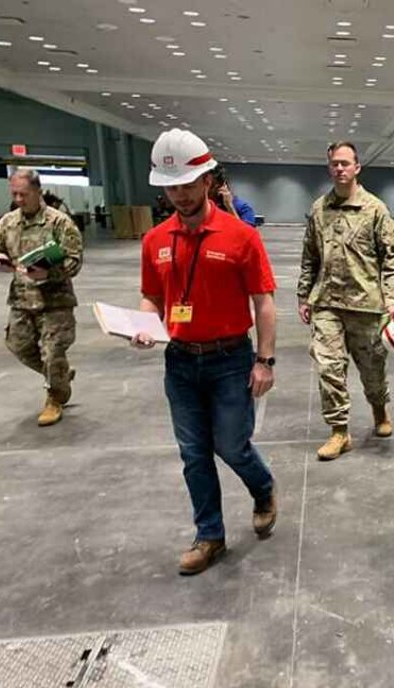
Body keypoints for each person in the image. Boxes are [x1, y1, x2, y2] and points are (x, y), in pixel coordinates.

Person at [132, 129, 278, 576]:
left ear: (209, 181)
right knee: (194, 451)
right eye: (170, 187)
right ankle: (209, 534)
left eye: (188, 185)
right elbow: (152, 298)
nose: (179, 195)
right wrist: (142, 327)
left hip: (230, 357)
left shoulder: (241, 236)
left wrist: (264, 360)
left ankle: (263, 486)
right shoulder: (154, 240)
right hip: (179, 360)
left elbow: (264, 301)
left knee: (232, 445)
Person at [297, 142, 394, 461]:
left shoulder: (375, 209)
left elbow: (393, 257)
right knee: (329, 368)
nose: (339, 168)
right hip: (327, 303)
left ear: (357, 167)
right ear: (329, 167)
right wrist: (305, 295)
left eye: (345, 163)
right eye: (334, 163)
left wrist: (392, 298)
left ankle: (379, 410)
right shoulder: (319, 208)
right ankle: (339, 431)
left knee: (372, 370)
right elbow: (310, 256)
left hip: (366, 305)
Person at [0, 169, 83, 426]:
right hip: (21, 299)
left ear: (38, 192)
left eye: (24, 194)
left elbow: (74, 261)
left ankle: (55, 397)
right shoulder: (7, 223)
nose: (19, 199)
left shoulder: (59, 223)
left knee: (52, 353)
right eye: (15, 194)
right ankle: (60, 375)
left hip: (55, 301)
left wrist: (50, 272)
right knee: (18, 346)